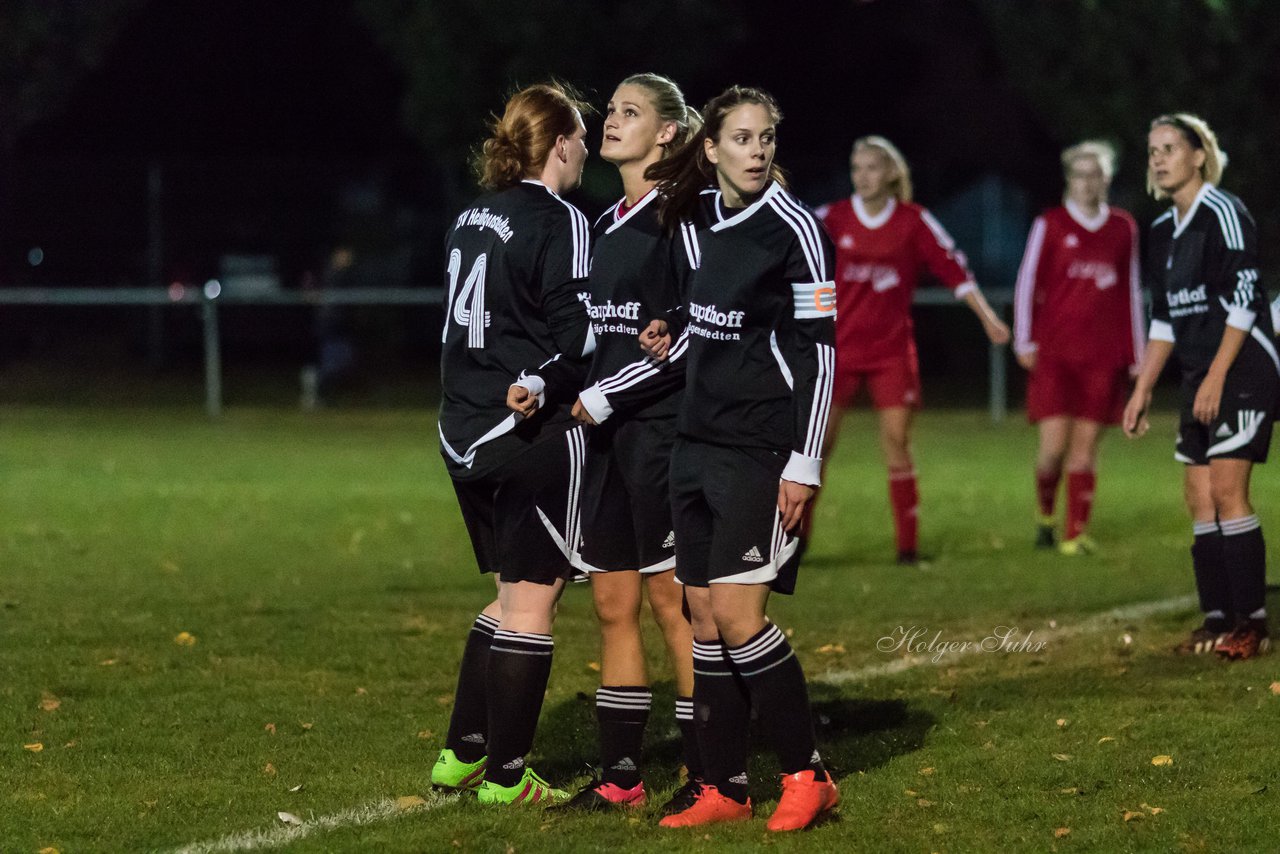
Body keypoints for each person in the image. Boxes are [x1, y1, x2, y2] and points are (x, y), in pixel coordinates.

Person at [627, 85, 840, 832]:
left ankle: (807, 774)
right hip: (695, 440)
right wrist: (672, 334)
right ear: (712, 148)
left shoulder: (797, 229)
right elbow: (712, 323)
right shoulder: (703, 219)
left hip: (758, 447)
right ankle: (725, 786)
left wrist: (804, 464)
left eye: (767, 139)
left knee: (743, 618)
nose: (758, 152)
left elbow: (820, 353)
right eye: (743, 139)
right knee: (705, 617)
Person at [430, 82, 595, 805]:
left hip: (460, 428)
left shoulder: (469, 216)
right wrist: (541, 381)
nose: (588, 147)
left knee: (508, 597)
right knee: (534, 602)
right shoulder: (562, 219)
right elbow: (579, 339)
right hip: (524, 431)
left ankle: (462, 754)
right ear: (559, 144)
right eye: (582, 135)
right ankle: (507, 778)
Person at [548, 73, 702, 814]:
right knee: (613, 605)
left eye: (630, 112)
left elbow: (696, 330)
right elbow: (597, 334)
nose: (611, 123)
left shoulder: (686, 217)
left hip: (661, 434)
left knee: (676, 606)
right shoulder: (607, 220)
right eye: (610, 111)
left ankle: (708, 771)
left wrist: (610, 390)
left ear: (667, 132)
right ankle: (620, 778)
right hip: (606, 441)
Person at [1123, 113, 1277, 660]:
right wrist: (1143, 388)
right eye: (1152, 151)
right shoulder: (1162, 230)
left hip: (1242, 370)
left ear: (1198, 156)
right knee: (1197, 497)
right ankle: (1216, 616)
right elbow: (1165, 318)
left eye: (1169, 148)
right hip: (1198, 375)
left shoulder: (1225, 212)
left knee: (1228, 492)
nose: (1159, 159)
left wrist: (1215, 375)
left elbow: (1245, 300)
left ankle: (1251, 624)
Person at [816, 137, 1010, 564]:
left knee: (897, 443)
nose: (861, 176)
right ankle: (794, 546)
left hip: (890, 353)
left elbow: (953, 267)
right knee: (818, 447)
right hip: (837, 350)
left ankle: (908, 547)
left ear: (890, 173)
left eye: (870, 167)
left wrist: (987, 317)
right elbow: (795, 265)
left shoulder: (913, 221)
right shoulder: (832, 219)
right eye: (856, 167)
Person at [1013, 141, 1145, 555]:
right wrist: (1024, 338)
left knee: (1085, 449)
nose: (1088, 183)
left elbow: (1132, 293)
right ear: (1069, 180)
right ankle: (1046, 517)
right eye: (1080, 175)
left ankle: (1075, 534)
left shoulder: (1123, 227)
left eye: (1096, 175)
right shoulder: (1050, 224)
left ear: (1107, 180)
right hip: (1054, 354)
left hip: (1103, 357)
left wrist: (1138, 354)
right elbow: (1027, 283)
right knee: (1052, 450)